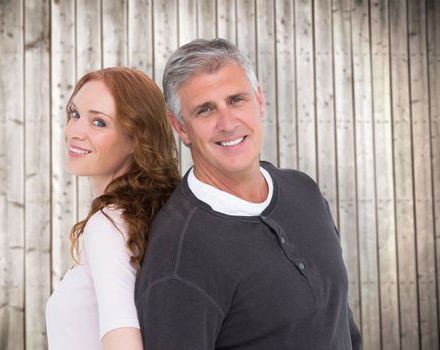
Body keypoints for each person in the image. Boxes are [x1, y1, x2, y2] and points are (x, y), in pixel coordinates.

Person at [135, 38, 362, 349]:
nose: (227, 123)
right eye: (205, 110)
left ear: (259, 101)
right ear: (181, 128)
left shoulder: (303, 191)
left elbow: (339, 323)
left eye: (236, 99)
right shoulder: (179, 257)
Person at [46, 67, 181, 350]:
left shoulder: (108, 225)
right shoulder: (145, 218)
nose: (75, 132)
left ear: (136, 139)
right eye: (75, 114)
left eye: (99, 123)